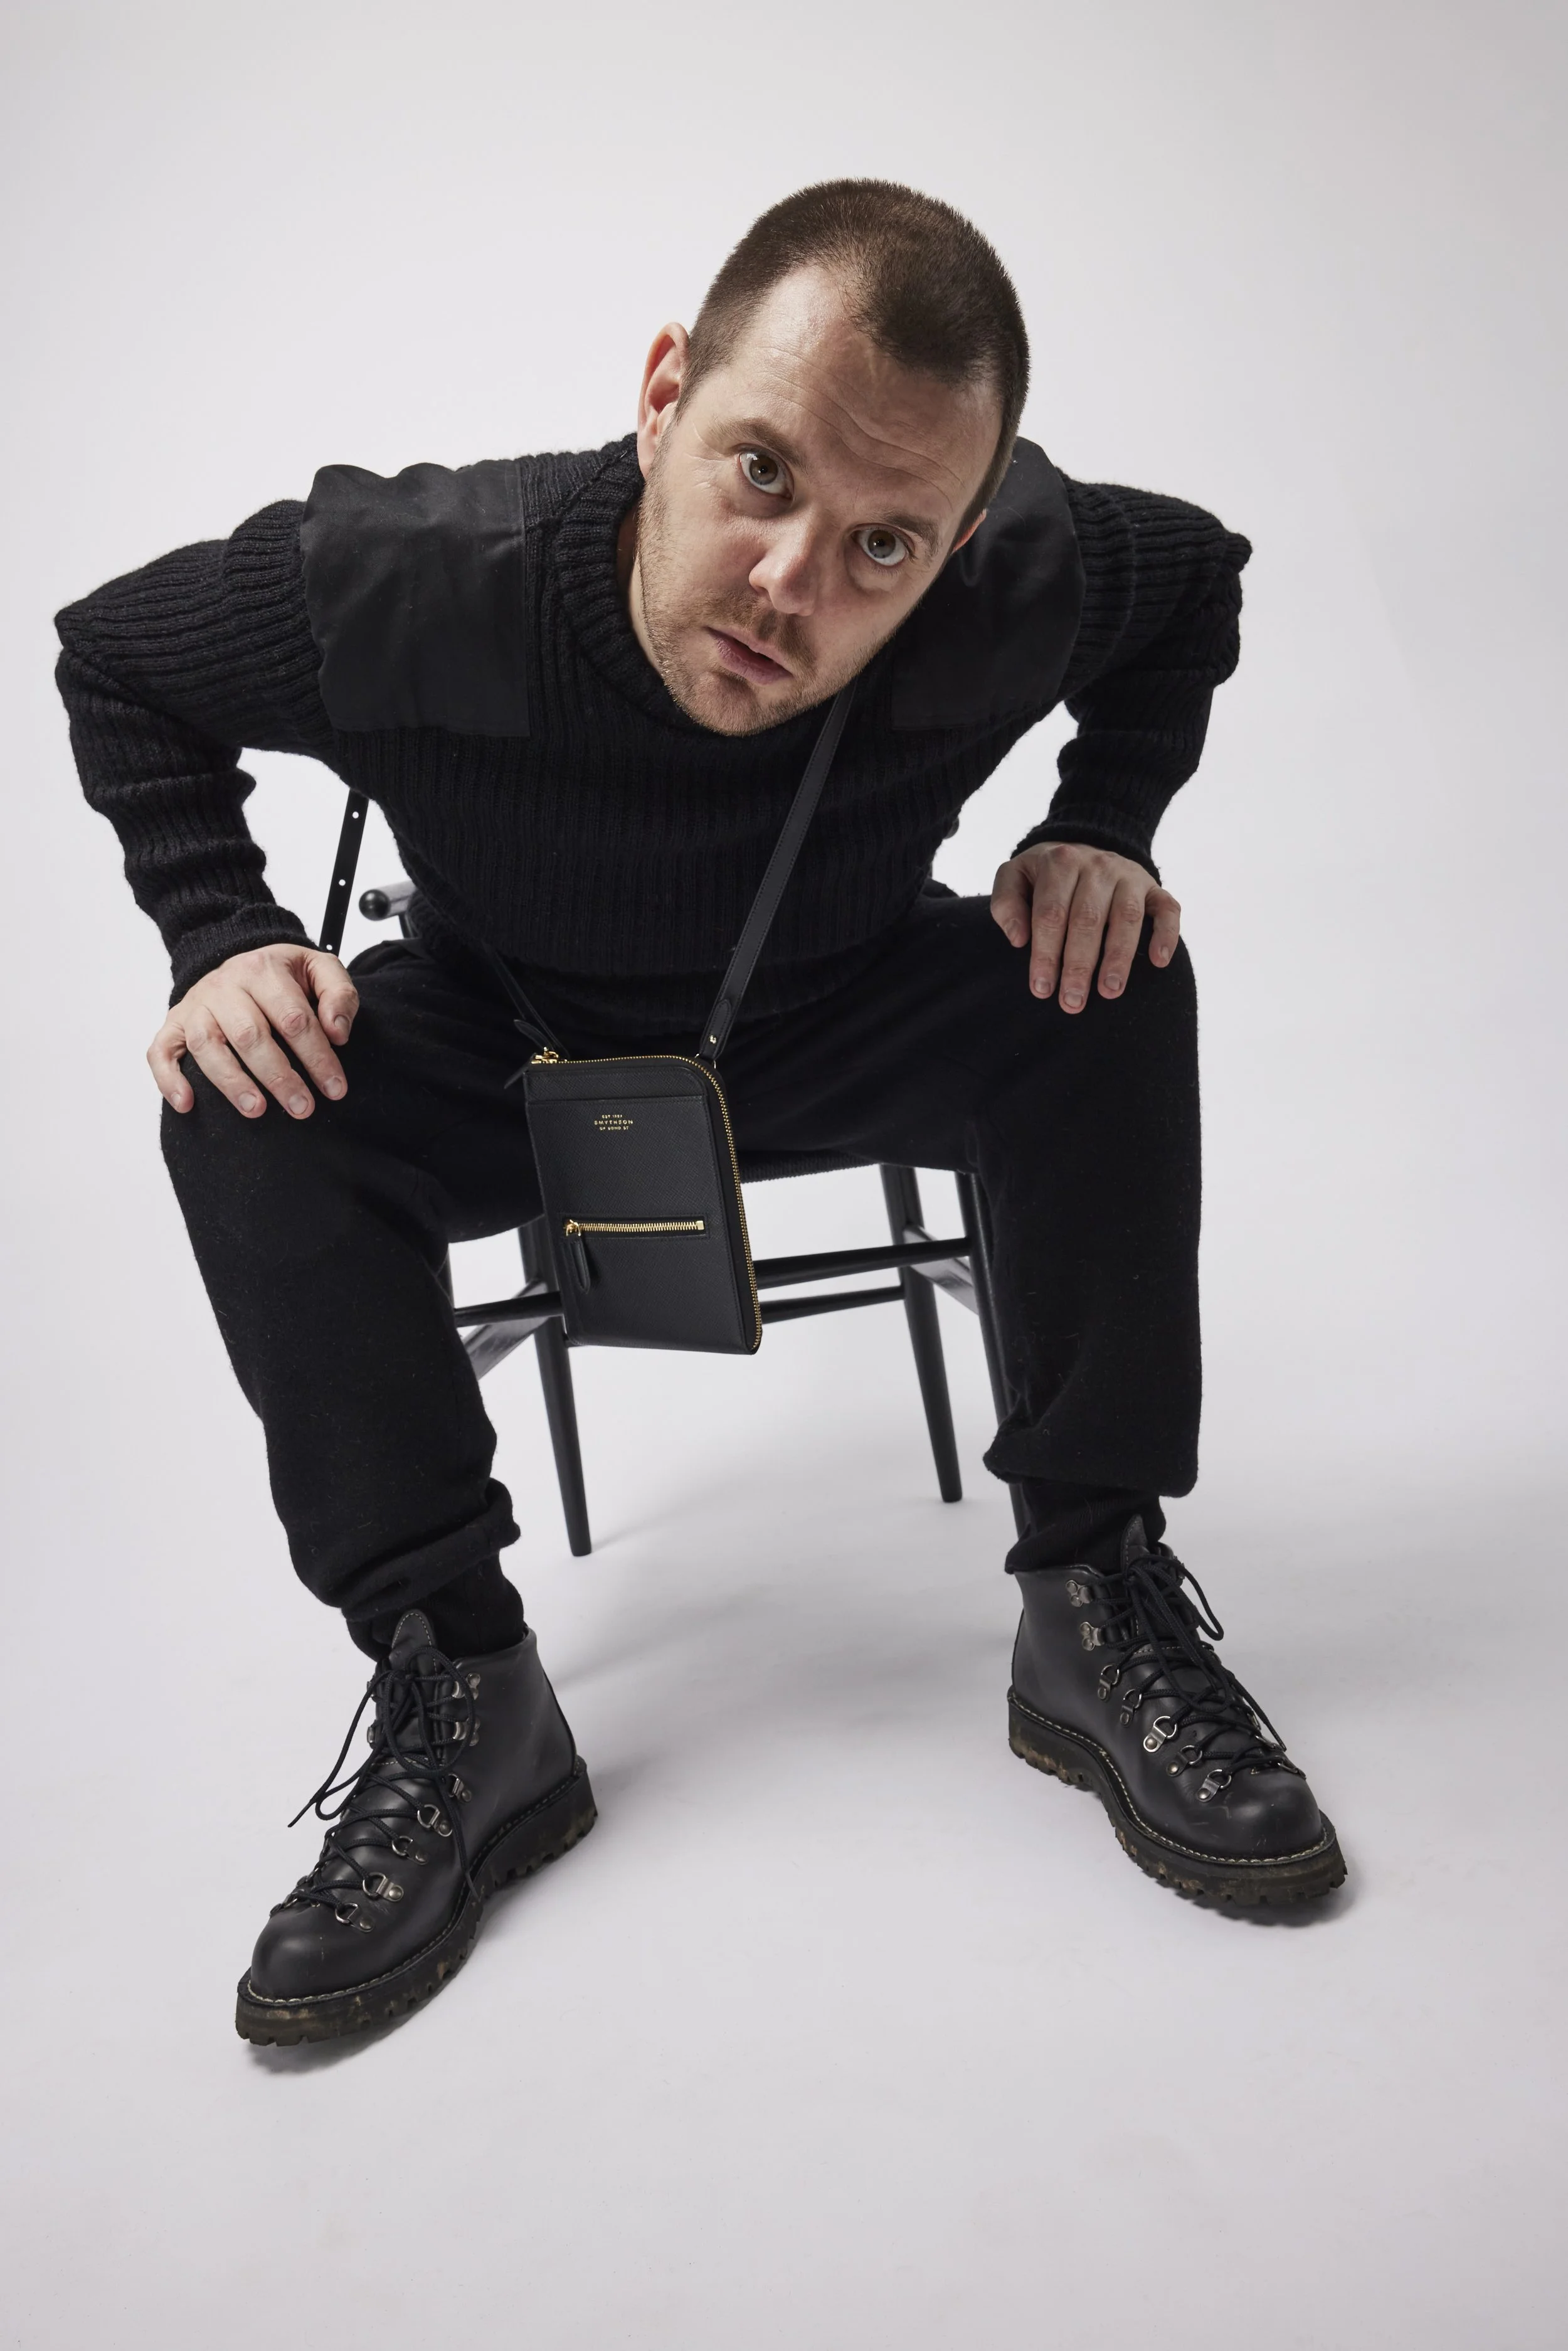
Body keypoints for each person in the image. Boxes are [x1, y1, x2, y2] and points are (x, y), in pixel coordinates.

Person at [56, 178, 1344, 2047]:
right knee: (245, 1095)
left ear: (965, 537)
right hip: (513, 1032)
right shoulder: (428, 580)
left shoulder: (1017, 576)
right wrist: (220, 929)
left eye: (884, 546)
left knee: (1107, 973)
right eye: (759, 473)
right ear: (663, 391)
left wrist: (1101, 829)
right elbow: (123, 656)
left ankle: (1094, 1593)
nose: (790, 587)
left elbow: (1195, 578)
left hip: (841, 1004)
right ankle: (460, 1688)